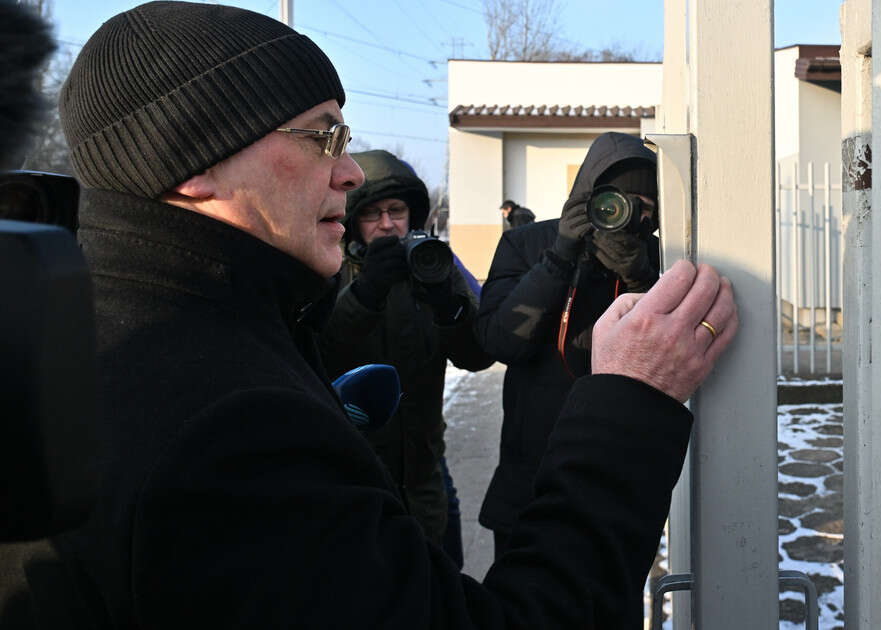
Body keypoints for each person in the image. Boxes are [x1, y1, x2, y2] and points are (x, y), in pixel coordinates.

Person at [46, 3, 738, 628]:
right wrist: (631, 398)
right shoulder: (232, 422)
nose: (348, 174)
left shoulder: (82, 328)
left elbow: (472, 350)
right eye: (323, 137)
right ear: (191, 154)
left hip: (424, 485)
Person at [475, 132, 662, 557]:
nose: (631, 216)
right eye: (617, 202)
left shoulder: (656, 256)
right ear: (590, 196)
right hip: (531, 472)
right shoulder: (528, 244)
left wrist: (640, 280)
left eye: (647, 208)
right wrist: (559, 257)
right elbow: (499, 342)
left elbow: (668, 350)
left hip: (615, 473)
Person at [319, 149, 492, 568]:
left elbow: (477, 355)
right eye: (372, 214)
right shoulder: (329, 269)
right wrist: (367, 293)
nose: (385, 224)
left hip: (425, 467)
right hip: (351, 470)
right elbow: (322, 353)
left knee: (446, 577)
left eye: (396, 211)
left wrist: (448, 307)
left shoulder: (434, 266)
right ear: (353, 220)